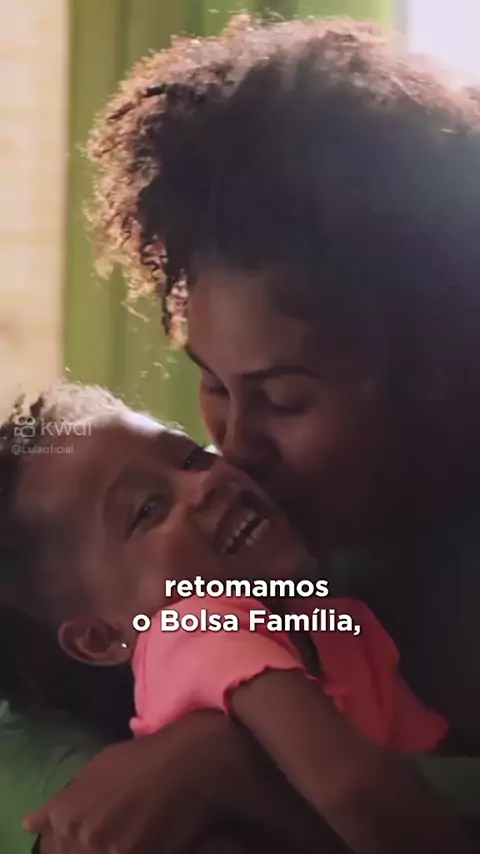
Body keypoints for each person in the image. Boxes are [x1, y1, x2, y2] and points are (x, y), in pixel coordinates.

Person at [23, 13, 480, 854]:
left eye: (287, 400)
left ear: (433, 370)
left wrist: (224, 761)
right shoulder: (243, 575)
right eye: (210, 383)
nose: (233, 450)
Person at [1, 381, 470, 853]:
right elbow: (352, 790)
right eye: (148, 509)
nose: (204, 484)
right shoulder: (191, 629)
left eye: (191, 458)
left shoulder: (324, 615)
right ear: (101, 636)